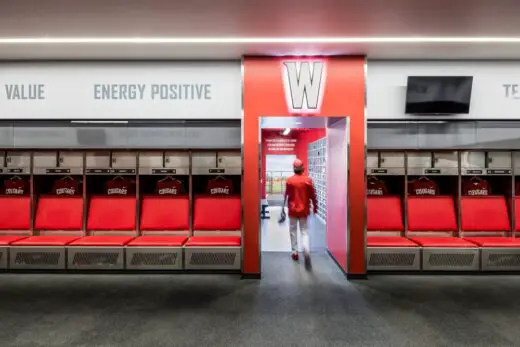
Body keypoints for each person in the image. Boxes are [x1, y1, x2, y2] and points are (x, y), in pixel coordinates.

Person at [282, 159, 318, 262]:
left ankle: (294, 252)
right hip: (304, 210)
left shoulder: (289, 180)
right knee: (304, 232)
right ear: (302, 168)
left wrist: (283, 207)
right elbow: (313, 196)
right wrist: (315, 207)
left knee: (293, 231)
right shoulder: (308, 180)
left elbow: (286, 195)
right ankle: (306, 249)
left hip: (293, 210)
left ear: (294, 169)